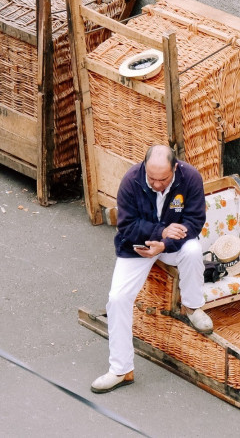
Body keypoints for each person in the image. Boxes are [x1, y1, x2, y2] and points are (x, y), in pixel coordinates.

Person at [91, 144, 212, 394]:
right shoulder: (131, 180)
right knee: (117, 299)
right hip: (138, 247)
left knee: (193, 250)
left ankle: (192, 306)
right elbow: (126, 225)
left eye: (163, 180)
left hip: (171, 244)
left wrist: (165, 244)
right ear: (144, 167)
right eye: (151, 178)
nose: (156, 185)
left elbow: (194, 222)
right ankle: (121, 369)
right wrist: (160, 233)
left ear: (175, 168)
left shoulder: (191, 178)